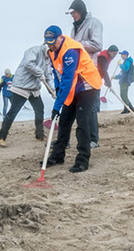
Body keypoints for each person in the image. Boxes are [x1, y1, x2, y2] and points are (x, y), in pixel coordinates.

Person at [44, 25, 102, 173]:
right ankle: (57, 155)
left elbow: (67, 80)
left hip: (87, 85)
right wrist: (58, 93)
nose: (51, 45)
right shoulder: (51, 51)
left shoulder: (71, 50)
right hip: (74, 87)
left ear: (60, 37)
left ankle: (83, 160)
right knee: (64, 121)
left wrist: (57, 106)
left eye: (53, 42)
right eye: (48, 42)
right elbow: (58, 75)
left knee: (82, 122)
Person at [0, 43, 53, 146]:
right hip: (21, 87)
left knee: (39, 109)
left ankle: (39, 135)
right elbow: (28, 64)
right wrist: (40, 73)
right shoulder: (34, 51)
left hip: (34, 88)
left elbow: (49, 76)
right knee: (13, 111)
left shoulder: (48, 60)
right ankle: (2, 136)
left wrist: (53, 91)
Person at [67, 0, 103, 146]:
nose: (72, 15)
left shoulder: (94, 23)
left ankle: (94, 139)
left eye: (74, 12)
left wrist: (76, 44)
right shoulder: (74, 27)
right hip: (77, 71)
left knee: (91, 105)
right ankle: (74, 139)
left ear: (80, 11)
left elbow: (97, 44)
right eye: (71, 13)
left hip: (90, 69)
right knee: (76, 105)